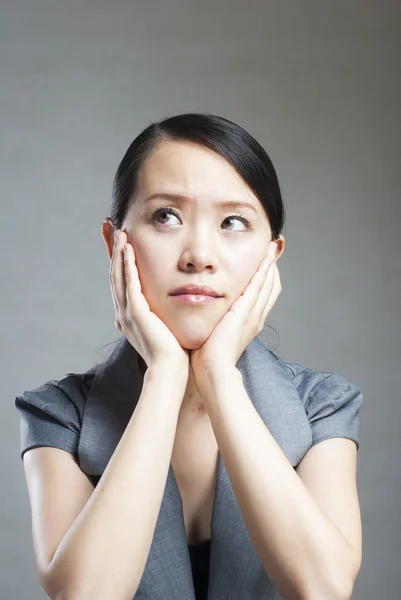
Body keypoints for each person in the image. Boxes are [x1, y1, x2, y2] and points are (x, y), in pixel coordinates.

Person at [15, 113, 363, 600]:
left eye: (233, 222)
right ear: (116, 243)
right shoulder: (58, 413)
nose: (199, 254)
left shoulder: (322, 405)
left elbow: (322, 587)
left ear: (271, 255)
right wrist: (164, 376)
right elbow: (85, 594)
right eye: (167, 216)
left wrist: (220, 376)